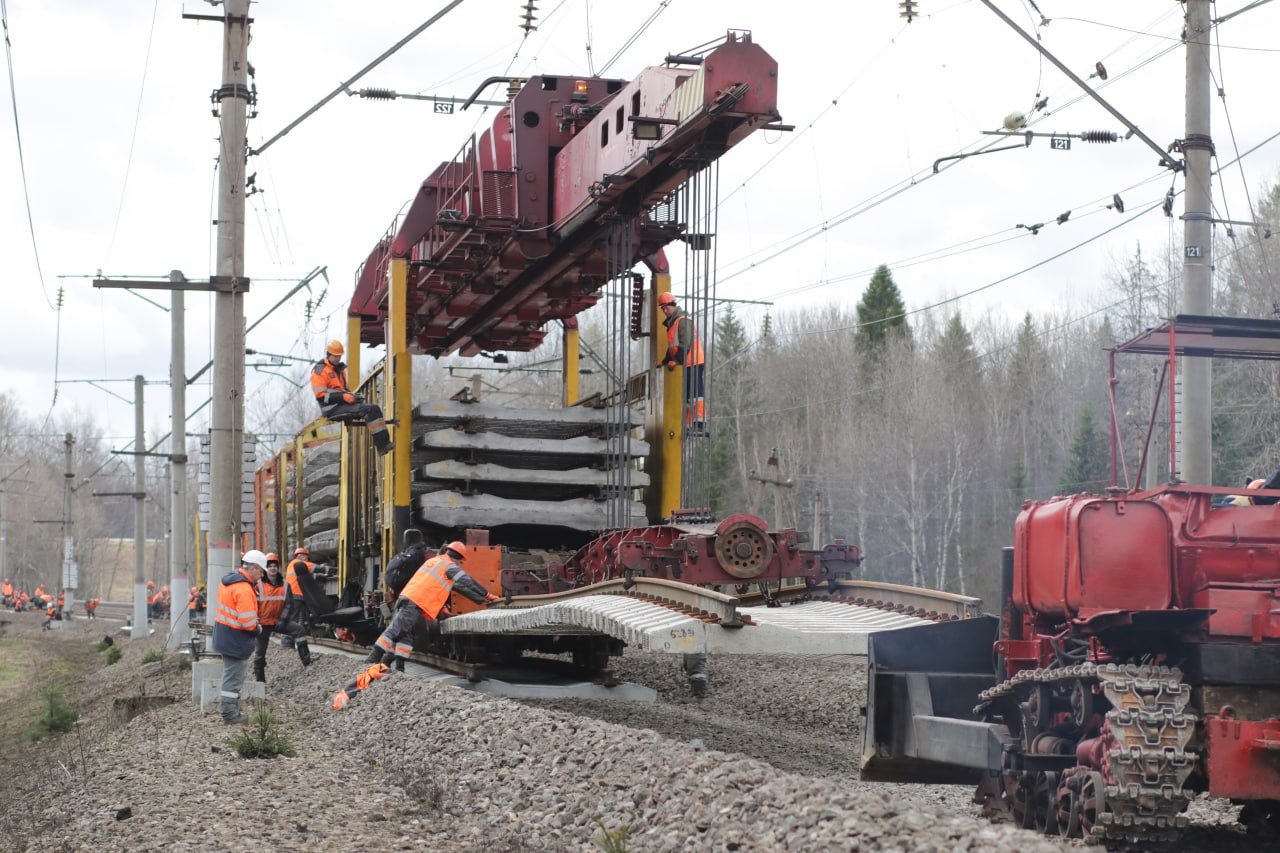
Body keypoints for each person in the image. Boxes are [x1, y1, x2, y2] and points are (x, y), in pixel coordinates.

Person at [366, 541, 500, 670]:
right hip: (415, 601)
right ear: (458, 558)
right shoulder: (449, 566)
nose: (460, 565)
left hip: (408, 598)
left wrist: (442, 608)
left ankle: (397, 666)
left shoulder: (433, 562)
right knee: (396, 629)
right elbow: (467, 581)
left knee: (405, 635)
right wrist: (486, 595)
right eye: (460, 562)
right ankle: (373, 658)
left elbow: (432, 587)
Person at [212, 550, 267, 724]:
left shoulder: (230, 581)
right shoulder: (244, 588)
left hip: (226, 635)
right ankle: (229, 714)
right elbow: (247, 622)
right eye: (261, 571)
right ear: (253, 568)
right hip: (235, 639)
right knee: (233, 678)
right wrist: (257, 628)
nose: (262, 575)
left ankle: (230, 710)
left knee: (230, 675)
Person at [310, 339, 392, 455]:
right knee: (369, 410)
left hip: (341, 405)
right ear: (328, 355)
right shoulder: (320, 371)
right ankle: (383, 445)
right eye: (335, 356)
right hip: (331, 409)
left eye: (339, 356)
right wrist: (343, 397)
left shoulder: (339, 370)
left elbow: (343, 390)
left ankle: (384, 443)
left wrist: (352, 396)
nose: (338, 358)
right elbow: (321, 398)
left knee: (374, 409)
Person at [657, 292, 707, 435]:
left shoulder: (683, 321)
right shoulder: (674, 323)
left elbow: (686, 345)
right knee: (685, 395)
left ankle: (699, 423)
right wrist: (665, 361)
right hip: (686, 363)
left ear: (673, 306)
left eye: (666, 308)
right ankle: (686, 423)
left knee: (696, 394)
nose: (664, 311)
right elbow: (673, 347)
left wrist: (677, 361)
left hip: (693, 362)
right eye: (662, 309)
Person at [277, 547, 322, 667]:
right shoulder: (298, 563)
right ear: (302, 556)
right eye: (307, 557)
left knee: (298, 621)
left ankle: (291, 644)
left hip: (295, 596)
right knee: (293, 620)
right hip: (295, 595)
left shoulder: (292, 565)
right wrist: (330, 569)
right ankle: (287, 644)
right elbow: (314, 567)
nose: (307, 559)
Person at [252, 553, 287, 683]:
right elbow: (253, 604)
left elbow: (289, 604)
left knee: (298, 631)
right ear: (266, 568)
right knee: (260, 653)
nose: (273, 568)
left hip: (278, 621)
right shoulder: (258, 585)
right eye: (270, 566)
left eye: (275, 566)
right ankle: (260, 679)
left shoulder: (284, 585)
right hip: (263, 623)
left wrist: (284, 619)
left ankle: (306, 660)